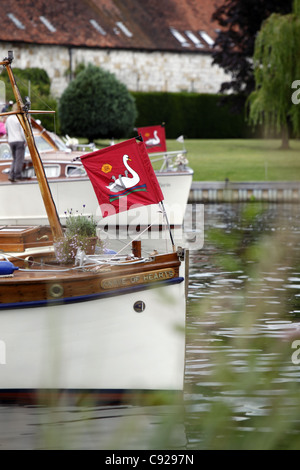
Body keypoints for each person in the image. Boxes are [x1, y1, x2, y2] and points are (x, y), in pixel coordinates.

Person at [5, 103, 26, 182]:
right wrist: (26, 140)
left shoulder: (9, 118)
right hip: (19, 140)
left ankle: (11, 174)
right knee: (19, 159)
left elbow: (6, 130)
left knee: (14, 159)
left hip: (11, 141)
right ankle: (17, 175)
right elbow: (22, 131)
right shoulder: (19, 118)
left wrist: (8, 138)